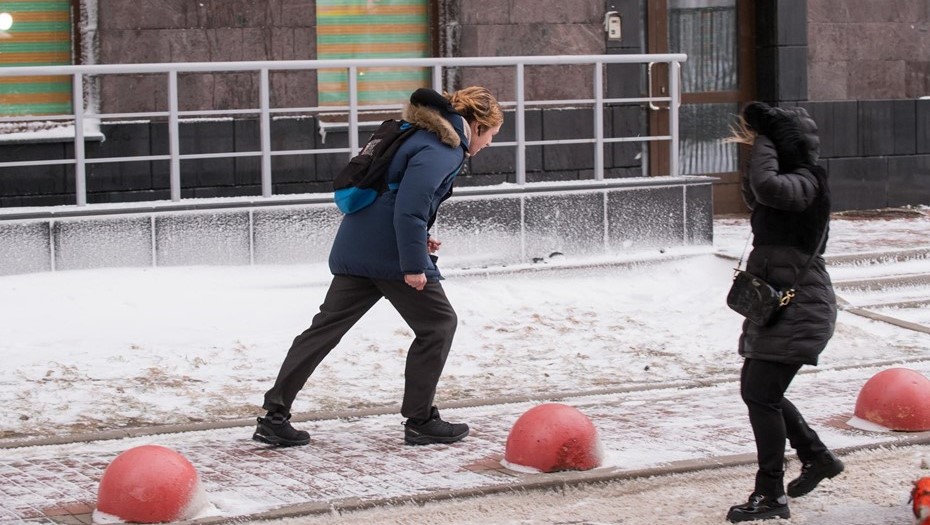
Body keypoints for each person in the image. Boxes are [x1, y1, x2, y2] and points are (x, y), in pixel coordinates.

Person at [253, 86, 503, 447]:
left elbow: (397, 198)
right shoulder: (443, 149)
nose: (490, 143)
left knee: (323, 329)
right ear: (477, 124)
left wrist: (421, 239)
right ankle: (420, 419)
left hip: (359, 245)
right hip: (388, 254)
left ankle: (273, 417)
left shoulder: (420, 136)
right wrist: (415, 262)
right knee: (439, 323)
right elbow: (408, 209)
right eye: (492, 134)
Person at [724, 102, 845, 522]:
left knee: (761, 393)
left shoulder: (808, 181)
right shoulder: (789, 184)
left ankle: (771, 495)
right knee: (759, 391)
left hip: (801, 307)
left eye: (769, 145)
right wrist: (766, 141)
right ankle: (816, 456)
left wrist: (765, 136)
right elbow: (755, 190)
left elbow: (768, 186)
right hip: (781, 307)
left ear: (784, 146)